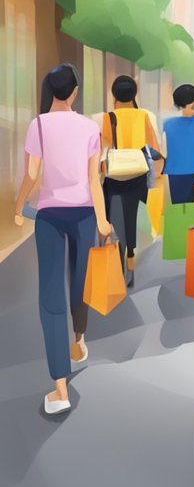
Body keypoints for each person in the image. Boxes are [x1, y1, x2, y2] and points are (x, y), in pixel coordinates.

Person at [13, 65, 113, 415]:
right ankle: (79, 341)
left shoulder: (38, 124)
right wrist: (102, 219)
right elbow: (94, 179)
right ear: (74, 92)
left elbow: (32, 174)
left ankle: (60, 388)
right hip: (85, 214)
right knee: (81, 281)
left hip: (50, 217)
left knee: (51, 296)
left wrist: (18, 205)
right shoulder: (89, 127)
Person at [101, 75, 163, 287]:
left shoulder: (108, 117)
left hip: (114, 175)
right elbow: (154, 148)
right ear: (134, 94)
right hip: (137, 174)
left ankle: (119, 256)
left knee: (116, 218)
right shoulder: (142, 116)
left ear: (114, 95)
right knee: (133, 217)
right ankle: (130, 258)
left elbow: (104, 147)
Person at [162, 84, 194, 204]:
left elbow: (162, 148)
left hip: (172, 171)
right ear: (193, 100)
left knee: (176, 206)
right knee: (191, 207)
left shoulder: (167, 123)